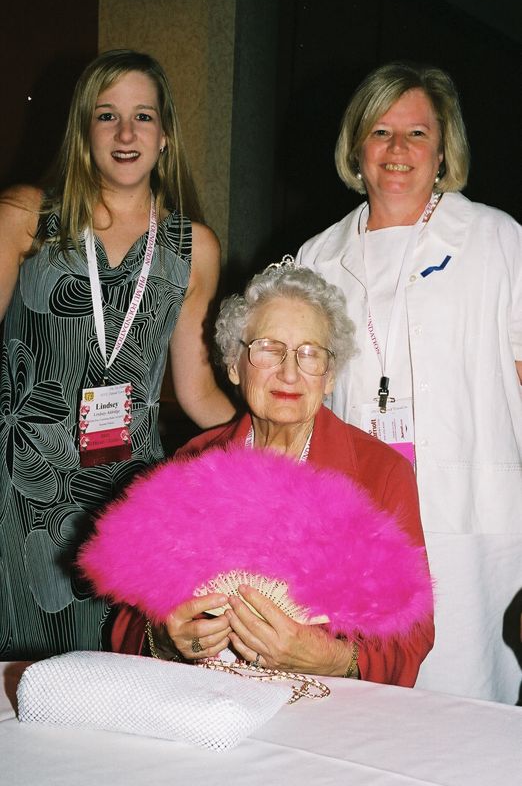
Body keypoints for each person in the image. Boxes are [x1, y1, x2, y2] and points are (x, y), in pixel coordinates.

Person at [296, 61, 522, 703]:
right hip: (358, 513)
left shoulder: (497, 239)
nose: (397, 151)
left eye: (417, 134)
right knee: (367, 696)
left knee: (469, 699)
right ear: (356, 148)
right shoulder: (318, 256)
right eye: (380, 132)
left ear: (444, 149)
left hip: (471, 511)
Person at [0, 49, 234, 660]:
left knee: (115, 678)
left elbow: (196, 390)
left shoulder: (193, 246)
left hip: (129, 499)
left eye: (143, 117)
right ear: (84, 130)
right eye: (107, 116)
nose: (126, 134)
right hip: (20, 491)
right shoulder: (27, 216)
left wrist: (279, 437)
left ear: (165, 134)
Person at [110, 261, 434, 687]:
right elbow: (128, 619)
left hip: (321, 711)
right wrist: (167, 639)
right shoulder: (194, 462)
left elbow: (413, 637)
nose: (289, 371)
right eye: (268, 348)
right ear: (233, 364)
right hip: (206, 699)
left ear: (330, 375)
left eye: (310, 353)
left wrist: (333, 658)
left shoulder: (381, 474)